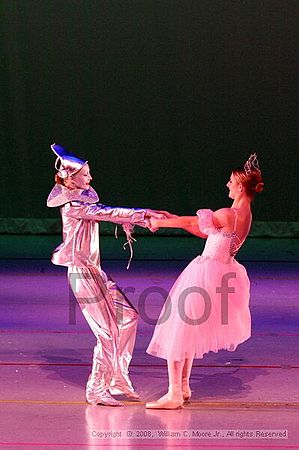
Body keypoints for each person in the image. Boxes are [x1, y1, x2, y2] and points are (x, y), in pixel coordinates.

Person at [47, 143, 165, 407]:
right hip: (81, 274)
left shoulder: (80, 200)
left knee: (129, 318)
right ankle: (96, 388)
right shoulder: (72, 205)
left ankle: (117, 377)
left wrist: (141, 219)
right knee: (107, 330)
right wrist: (141, 215)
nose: (90, 177)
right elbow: (105, 212)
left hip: (94, 272)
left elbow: (103, 213)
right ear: (70, 177)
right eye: (85, 174)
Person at [145, 154, 264, 409]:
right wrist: (172, 218)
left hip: (206, 273)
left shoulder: (228, 213)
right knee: (187, 330)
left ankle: (174, 393)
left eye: (231, 182)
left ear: (241, 186)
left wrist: (160, 223)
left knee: (176, 326)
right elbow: (203, 231)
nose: (227, 185)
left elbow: (192, 221)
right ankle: (183, 387)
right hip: (222, 273)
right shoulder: (245, 215)